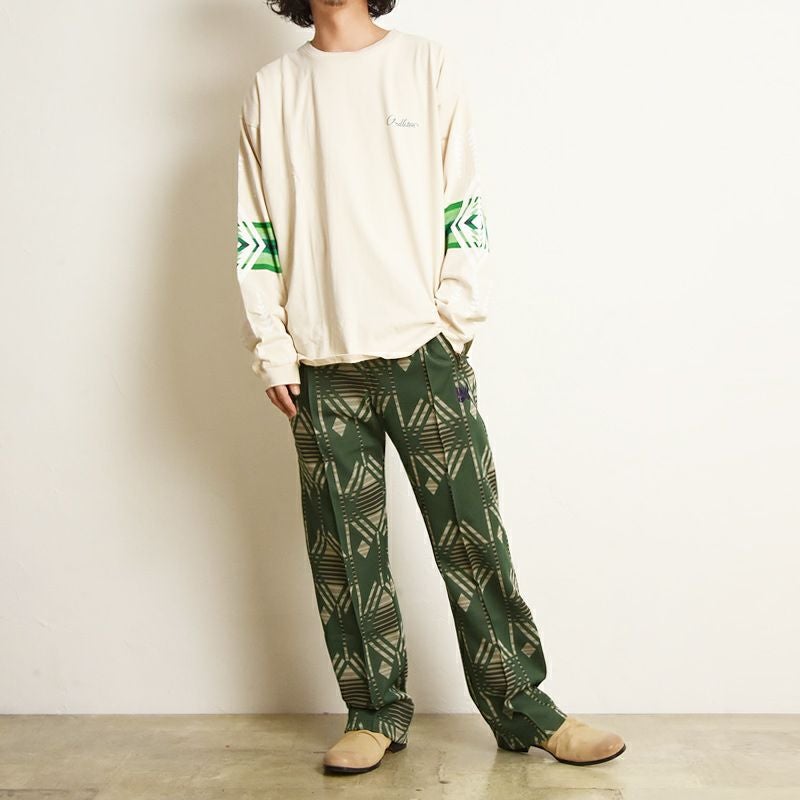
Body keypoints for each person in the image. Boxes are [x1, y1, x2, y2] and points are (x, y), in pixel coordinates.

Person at [235, 0, 626, 775]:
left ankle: (526, 708)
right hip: (320, 366)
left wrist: (454, 321)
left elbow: (462, 197)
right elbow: (256, 229)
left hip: (425, 353)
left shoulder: (424, 65)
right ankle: (373, 713)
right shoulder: (272, 88)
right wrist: (272, 349)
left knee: (472, 538)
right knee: (345, 555)